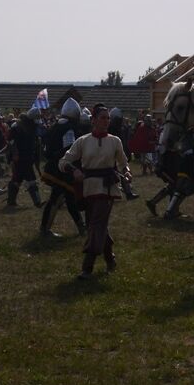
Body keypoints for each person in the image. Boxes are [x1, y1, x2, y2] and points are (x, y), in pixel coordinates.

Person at [59, 104, 130, 279]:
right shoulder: (83, 141)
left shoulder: (115, 141)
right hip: (87, 188)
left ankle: (87, 267)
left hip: (107, 188)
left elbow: (123, 162)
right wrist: (73, 170)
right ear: (93, 120)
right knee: (97, 225)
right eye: (102, 118)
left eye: (108, 118)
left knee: (96, 224)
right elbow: (64, 161)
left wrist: (126, 172)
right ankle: (110, 258)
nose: (106, 121)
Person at [39, 99, 86, 238]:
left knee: (68, 198)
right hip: (63, 169)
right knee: (57, 198)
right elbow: (69, 151)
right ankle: (45, 229)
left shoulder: (57, 125)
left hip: (56, 166)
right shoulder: (69, 128)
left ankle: (81, 226)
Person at [6, 107, 43, 208]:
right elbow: (11, 141)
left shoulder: (32, 126)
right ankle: (37, 202)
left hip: (27, 157)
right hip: (20, 157)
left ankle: (11, 201)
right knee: (30, 179)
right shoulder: (17, 126)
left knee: (17, 179)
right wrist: (15, 154)